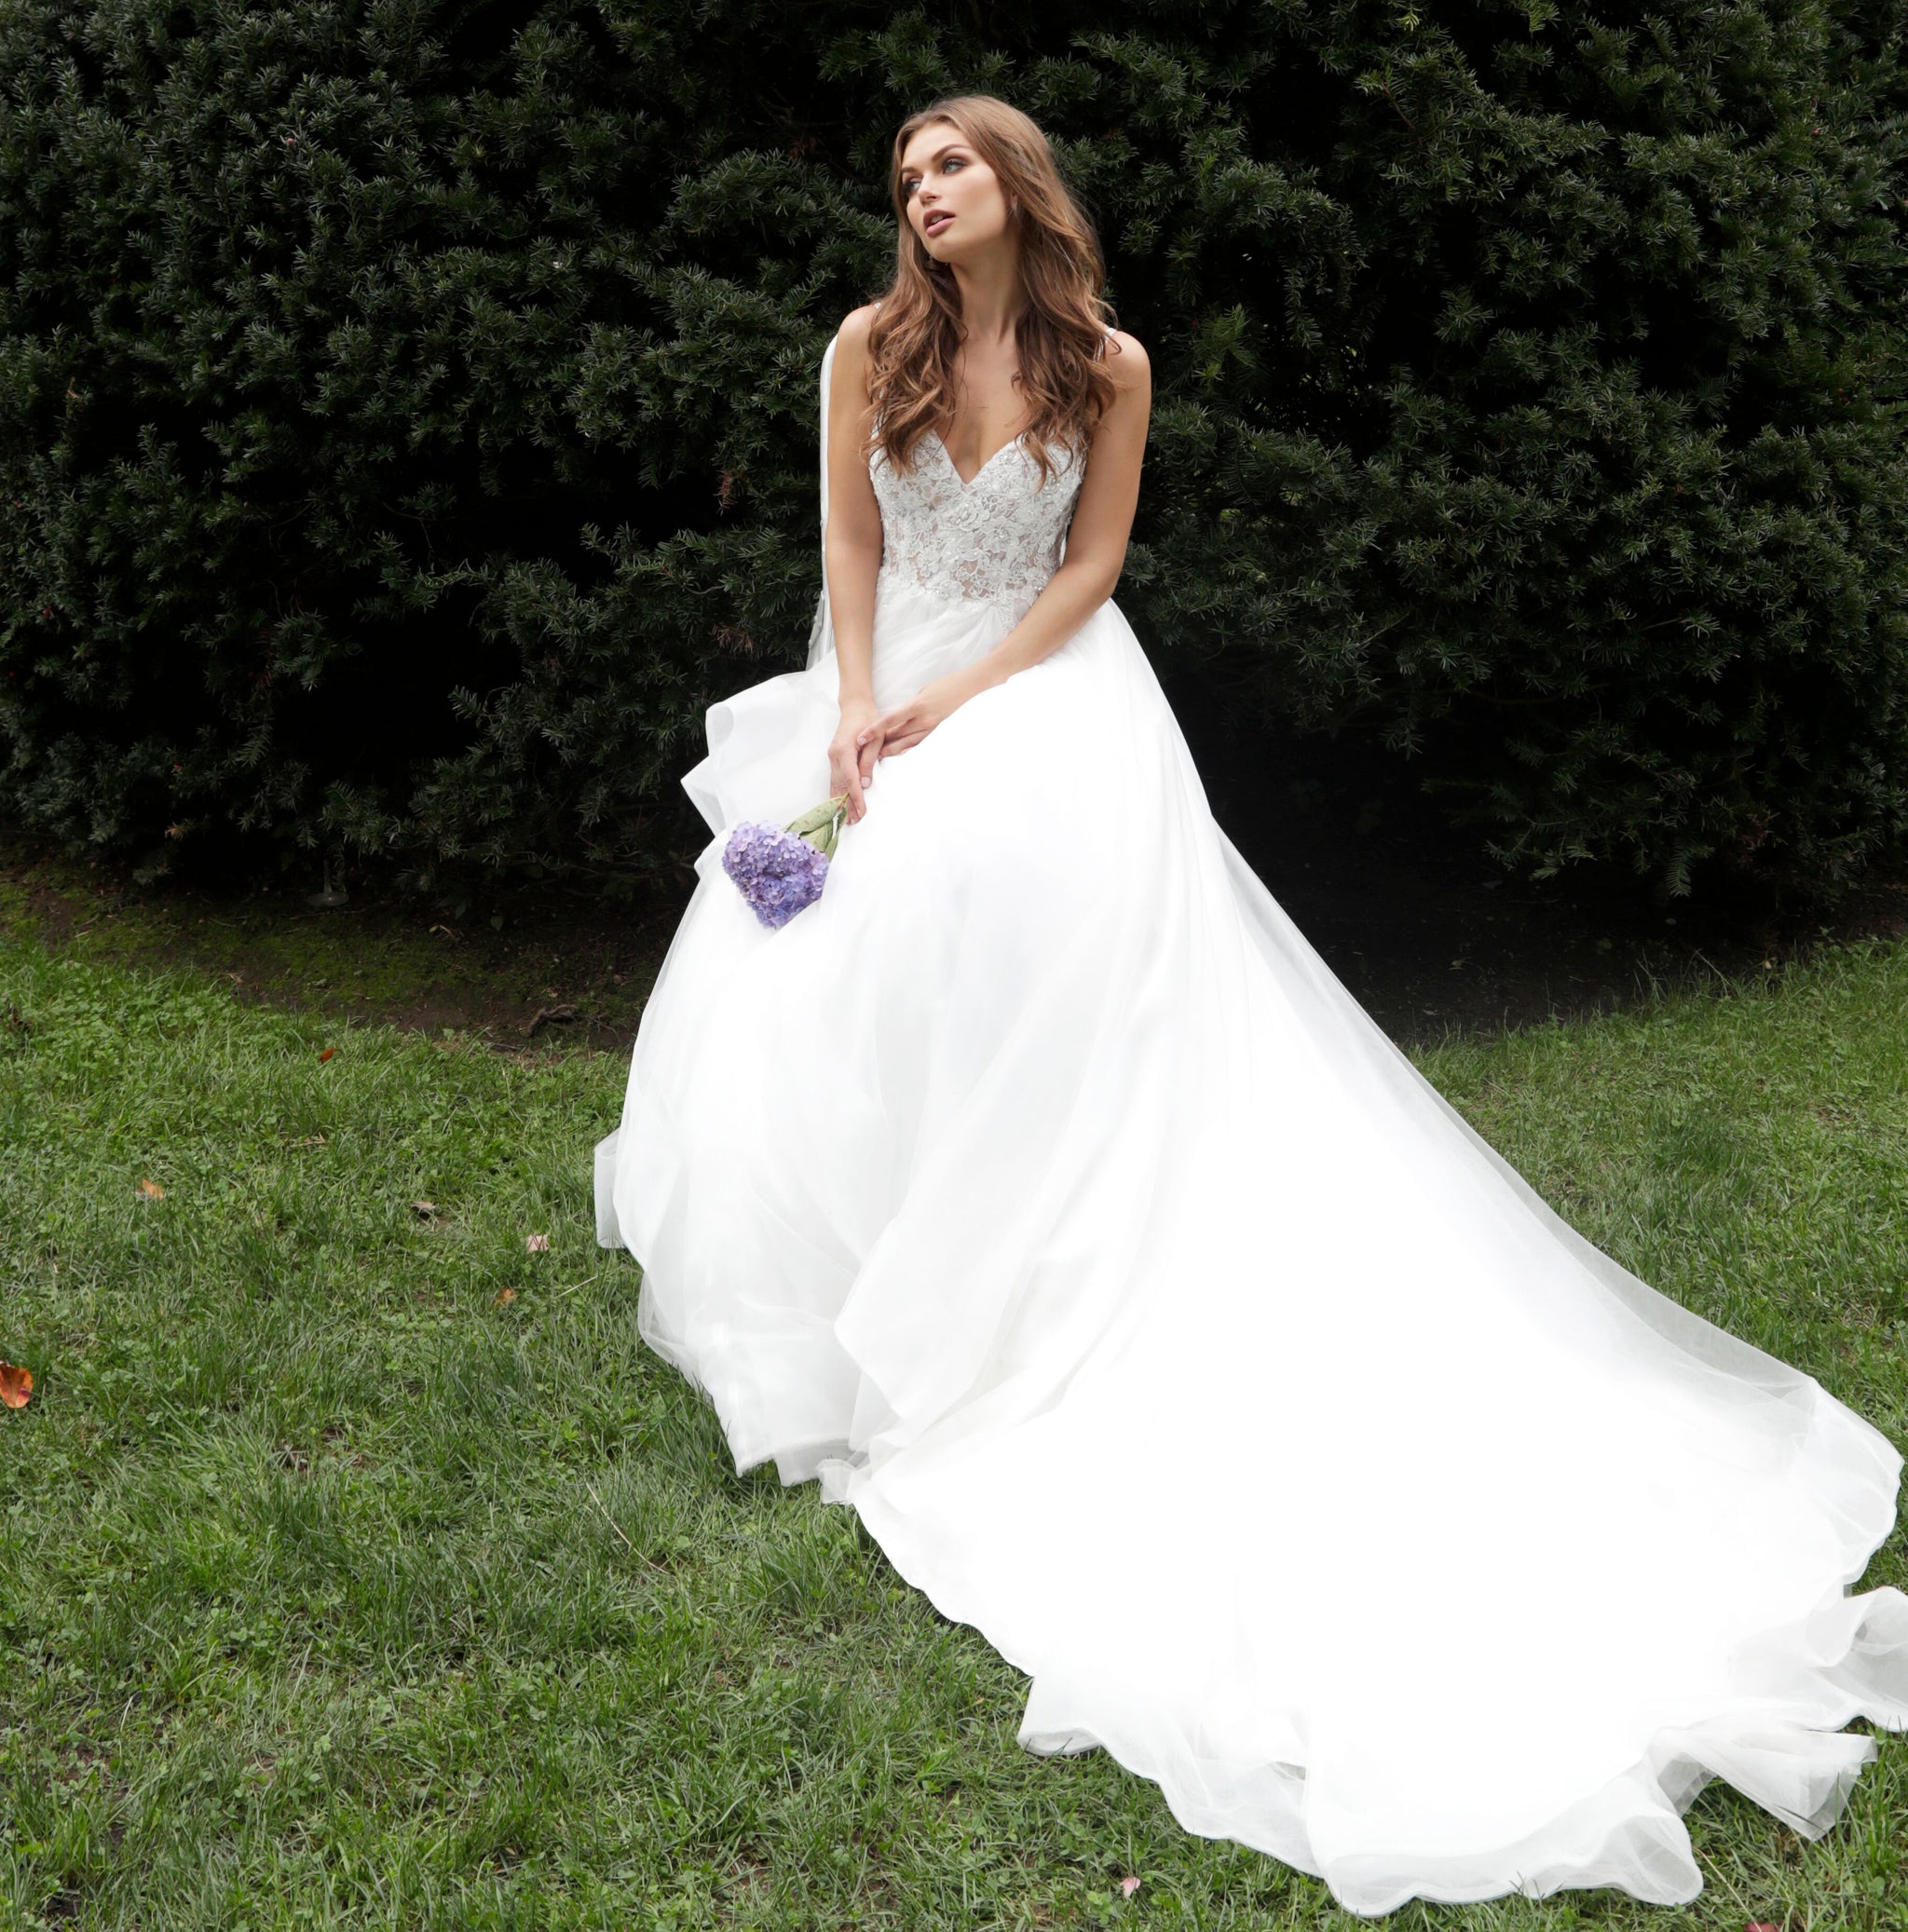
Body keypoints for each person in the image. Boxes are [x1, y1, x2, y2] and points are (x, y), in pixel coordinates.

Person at [594, 93, 1908, 1915]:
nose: (921, 190)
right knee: (841, 959)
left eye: (948, 162)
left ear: (1015, 184)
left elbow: (1085, 571)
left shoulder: (1107, 364)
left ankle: (1031, 1267)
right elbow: (856, 549)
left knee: (1025, 930)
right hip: (874, 691)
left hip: (1051, 697)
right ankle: (854, 1280)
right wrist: (857, 708)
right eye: (903, 176)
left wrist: (961, 709)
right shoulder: (865, 349)